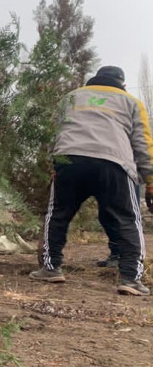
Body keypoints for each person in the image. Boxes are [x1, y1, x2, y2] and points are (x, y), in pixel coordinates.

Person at [32, 65, 153, 295]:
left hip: (70, 159)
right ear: (123, 84)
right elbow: (143, 144)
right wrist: (150, 179)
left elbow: (53, 133)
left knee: (57, 214)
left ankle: (51, 268)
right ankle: (130, 278)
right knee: (127, 219)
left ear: (94, 79)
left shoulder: (70, 97)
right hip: (114, 163)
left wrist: (55, 162)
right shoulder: (131, 102)